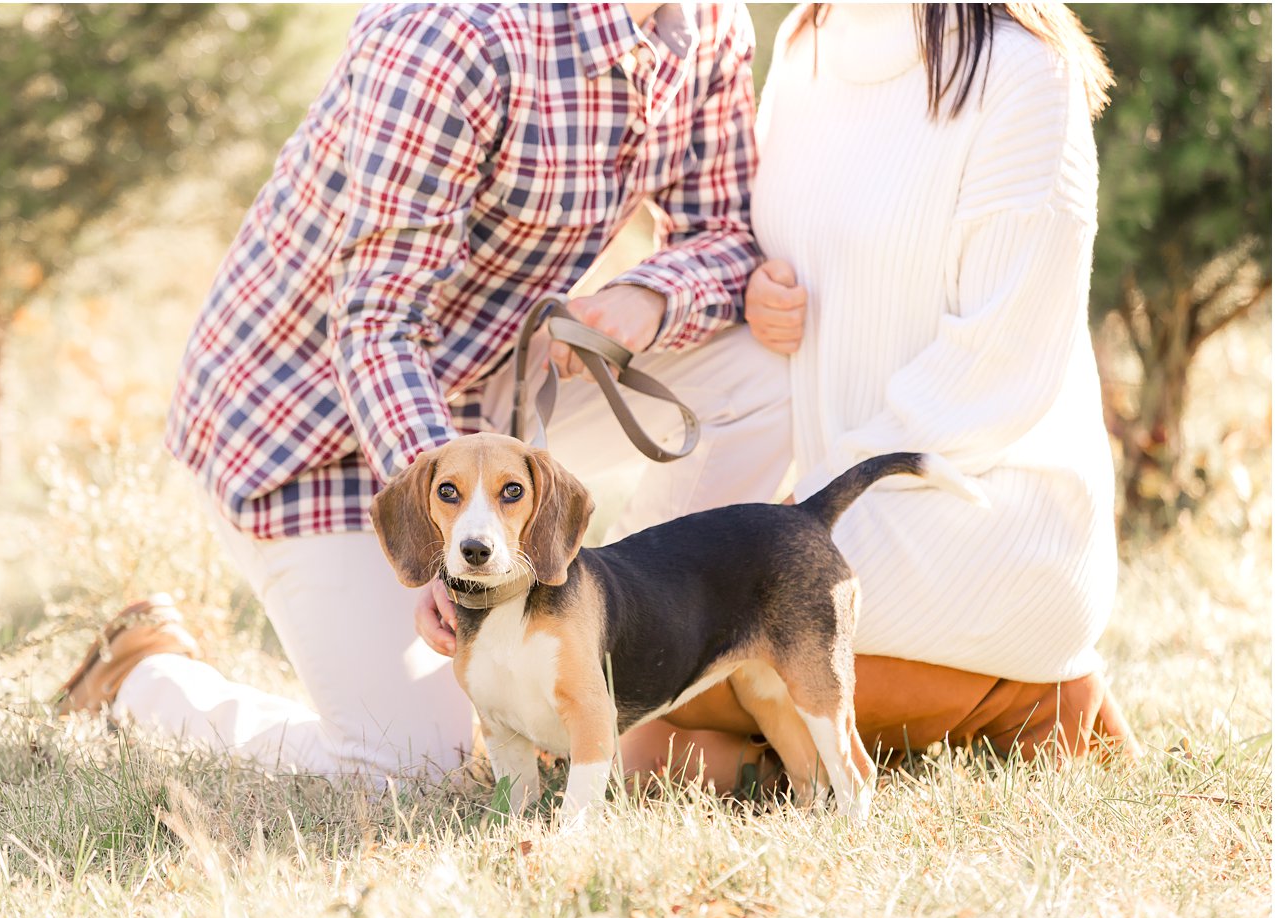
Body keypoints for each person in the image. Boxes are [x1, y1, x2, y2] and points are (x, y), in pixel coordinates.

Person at [57, 3, 793, 781]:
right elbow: (377, 324)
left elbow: (724, 230)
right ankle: (143, 679)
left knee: (757, 371)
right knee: (417, 770)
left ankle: (615, 669)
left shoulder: (707, 22)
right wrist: (447, 548)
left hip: (496, 383)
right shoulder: (452, 35)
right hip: (310, 421)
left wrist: (648, 296)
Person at [612, 1, 1140, 777]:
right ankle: (796, 758)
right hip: (832, 514)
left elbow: (997, 367)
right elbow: (808, 245)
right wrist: (764, 292)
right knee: (619, 706)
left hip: (976, 509)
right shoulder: (807, 43)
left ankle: (1029, 698)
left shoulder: (1025, 71)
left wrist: (805, 511)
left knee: (616, 662)